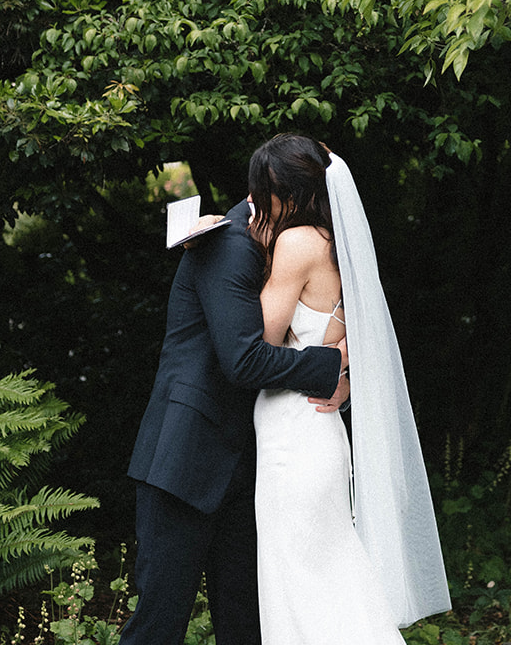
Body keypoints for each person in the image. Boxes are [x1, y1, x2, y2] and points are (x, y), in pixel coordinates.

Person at [120, 168, 349, 645]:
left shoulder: (282, 247)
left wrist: (347, 371)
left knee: (246, 622)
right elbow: (243, 360)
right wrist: (331, 365)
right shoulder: (228, 243)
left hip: (250, 466)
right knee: (160, 622)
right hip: (186, 456)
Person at [247, 134, 451, 642]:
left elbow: (262, 339)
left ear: (285, 193)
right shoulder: (339, 243)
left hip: (292, 432)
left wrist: (255, 249)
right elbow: (365, 333)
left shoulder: (294, 244)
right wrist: (343, 366)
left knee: (300, 582)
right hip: (322, 428)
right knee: (332, 578)